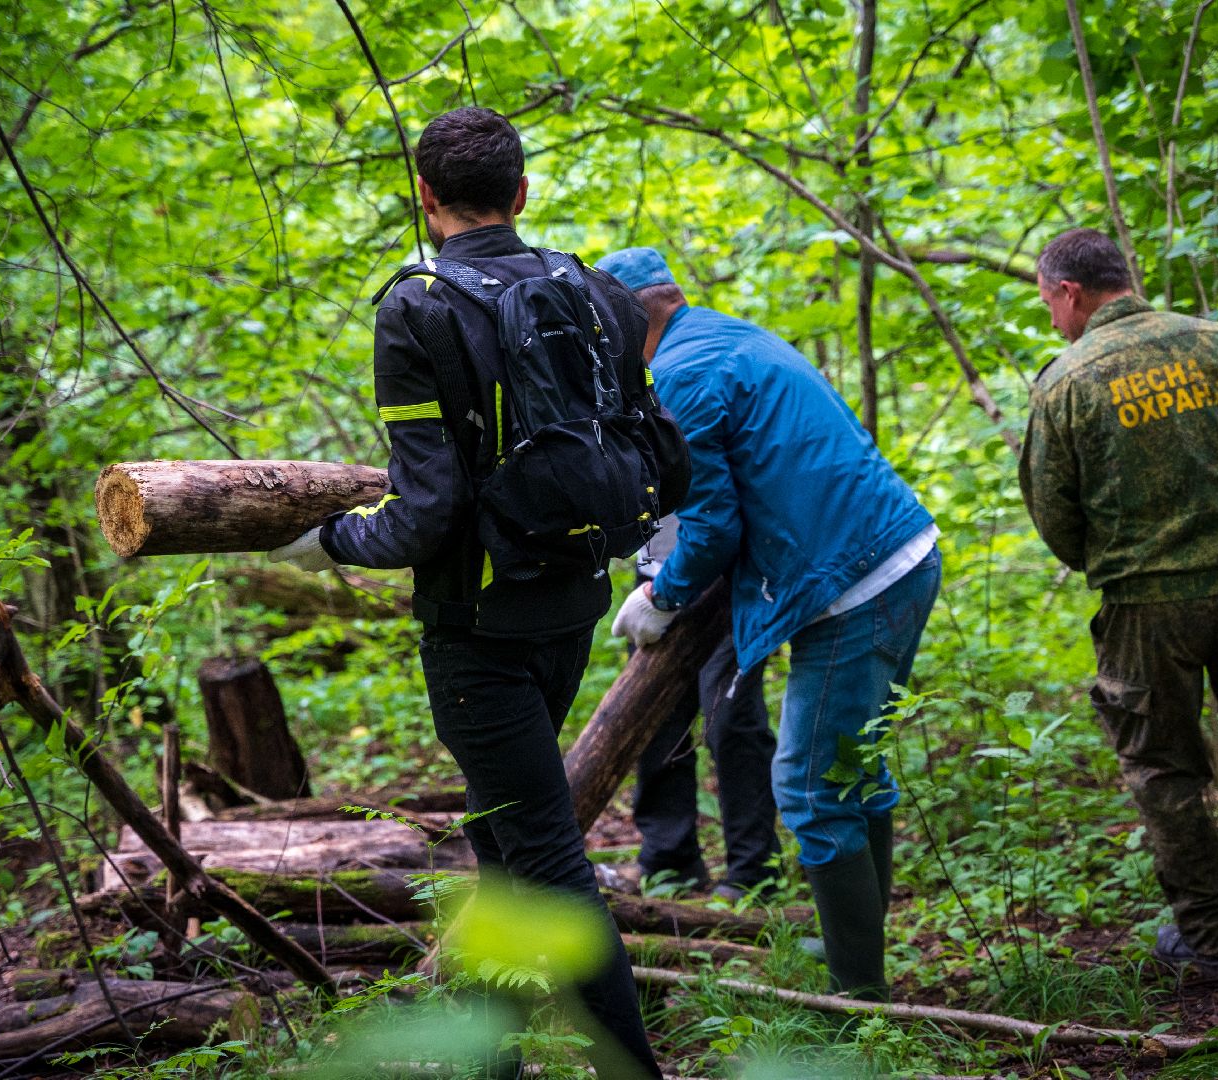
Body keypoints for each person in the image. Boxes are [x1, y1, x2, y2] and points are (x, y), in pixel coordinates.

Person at [271, 107, 663, 1078]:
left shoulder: (418, 309)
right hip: (570, 604)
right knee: (503, 840)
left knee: (547, 858)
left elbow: (425, 514)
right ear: (522, 194)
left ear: (425, 196)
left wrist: (326, 540)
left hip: (475, 630)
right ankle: (494, 1063)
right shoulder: (597, 290)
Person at [599, 246, 940, 1000]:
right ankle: (860, 948)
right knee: (855, 769)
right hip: (900, 554)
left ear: (632, 315)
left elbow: (713, 526)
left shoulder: (683, 376)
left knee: (809, 785)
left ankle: (859, 992)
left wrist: (660, 597)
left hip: (853, 582)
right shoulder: (727, 335)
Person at [1019, 227, 1218, 980]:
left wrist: (1109, 559)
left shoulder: (1065, 380)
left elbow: (1052, 510)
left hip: (1145, 604)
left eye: (1048, 304)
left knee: (1162, 770)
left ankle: (1213, 943)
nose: (1052, 321)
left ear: (1068, 291)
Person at [630, 515, 780, 901]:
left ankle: (753, 872)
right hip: (656, 574)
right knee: (657, 718)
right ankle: (669, 859)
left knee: (730, 720)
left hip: (735, 574)